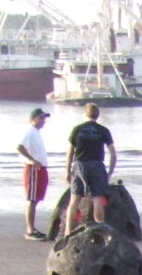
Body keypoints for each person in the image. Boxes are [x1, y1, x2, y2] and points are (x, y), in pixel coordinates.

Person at [64, 102, 117, 234]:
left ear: (85, 114)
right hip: (97, 164)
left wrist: (67, 171)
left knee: (74, 199)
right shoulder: (104, 130)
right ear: (98, 115)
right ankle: (100, 229)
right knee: (97, 198)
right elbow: (113, 154)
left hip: (80, 164)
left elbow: (70, 152)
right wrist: (110, 171)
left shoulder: (77, 129)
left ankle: (68, 231)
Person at [17, 107, 52, 239]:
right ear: (33, 120)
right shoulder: (29, 131)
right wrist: (33, 160)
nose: (43, 121)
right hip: (33, 169)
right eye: (40, 118)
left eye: (44, 118)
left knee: (36, 199)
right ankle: (30, 230)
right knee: (31, 199)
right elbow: (19, 147)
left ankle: (33, 228)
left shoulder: (36, 132)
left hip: (40, 168)